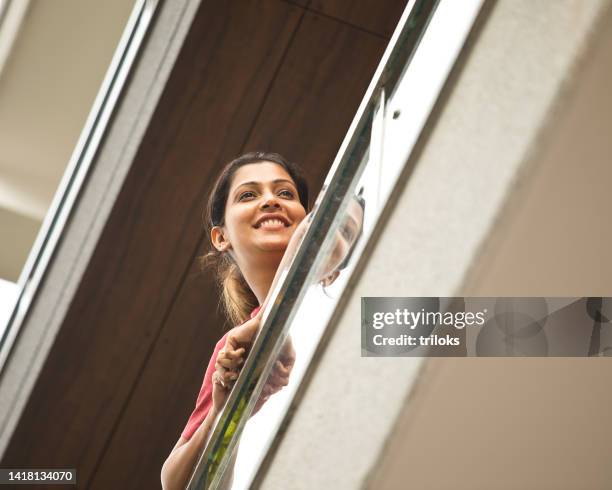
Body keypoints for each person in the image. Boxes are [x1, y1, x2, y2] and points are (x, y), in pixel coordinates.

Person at [161, 152, 364, 490]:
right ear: (221, 236)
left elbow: (474, 331)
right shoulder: (234, 352)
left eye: (285, 193)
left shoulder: (346, 290)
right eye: (248, 195)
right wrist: (228, 410)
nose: (271, 200)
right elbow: (176, 483)